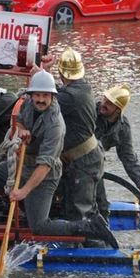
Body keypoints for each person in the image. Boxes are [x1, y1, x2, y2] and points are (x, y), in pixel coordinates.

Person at [0, 70, 118, 248]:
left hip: (44, 175)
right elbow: (19, 121)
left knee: (39, 226)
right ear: (31, 95)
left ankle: (90, 226)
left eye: (45, 96)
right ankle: (28, 208)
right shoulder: (28, 104)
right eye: (37, 95)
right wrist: (21, 129)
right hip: (24, 164)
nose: (40, 99)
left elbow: (45, 165)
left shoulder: (56, 125)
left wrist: (23, 191)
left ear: (53, 97)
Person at [41, 48, 105, 222]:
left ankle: (92, 246)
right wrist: (44, 72)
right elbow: (56, 92)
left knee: (80, 213)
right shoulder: (81, 87)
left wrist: (40, 74)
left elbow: (43, 101)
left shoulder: (70, 96)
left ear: (62, 73)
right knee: (76, 206)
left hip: (83, 161)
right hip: (86, 158)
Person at [95, 84, 140, 220]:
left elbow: (128, 158)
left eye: (109, 103)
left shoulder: (122, 128)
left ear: (118, 109)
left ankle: (99, 225)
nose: (104, 104)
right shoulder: (89, 110)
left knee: (101, 206)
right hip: (70, 160)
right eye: (104, 99)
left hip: (93, 167)